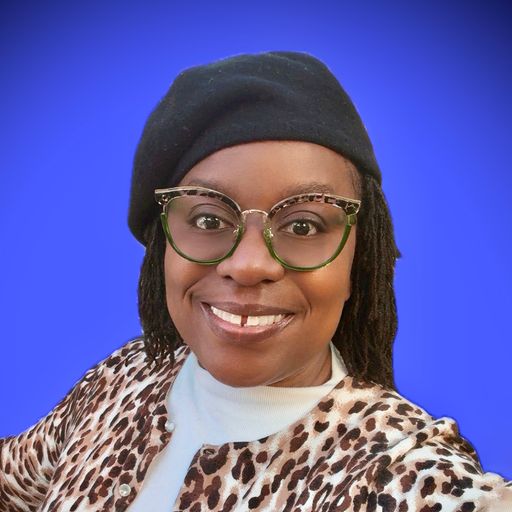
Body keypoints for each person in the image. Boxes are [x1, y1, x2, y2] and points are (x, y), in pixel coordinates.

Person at [0, 51, 510, 512]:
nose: (247, 265)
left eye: (304, 226)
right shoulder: (125, 377)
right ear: (161, 249)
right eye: (207, 219)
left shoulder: (396, 473)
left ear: (360, 261)